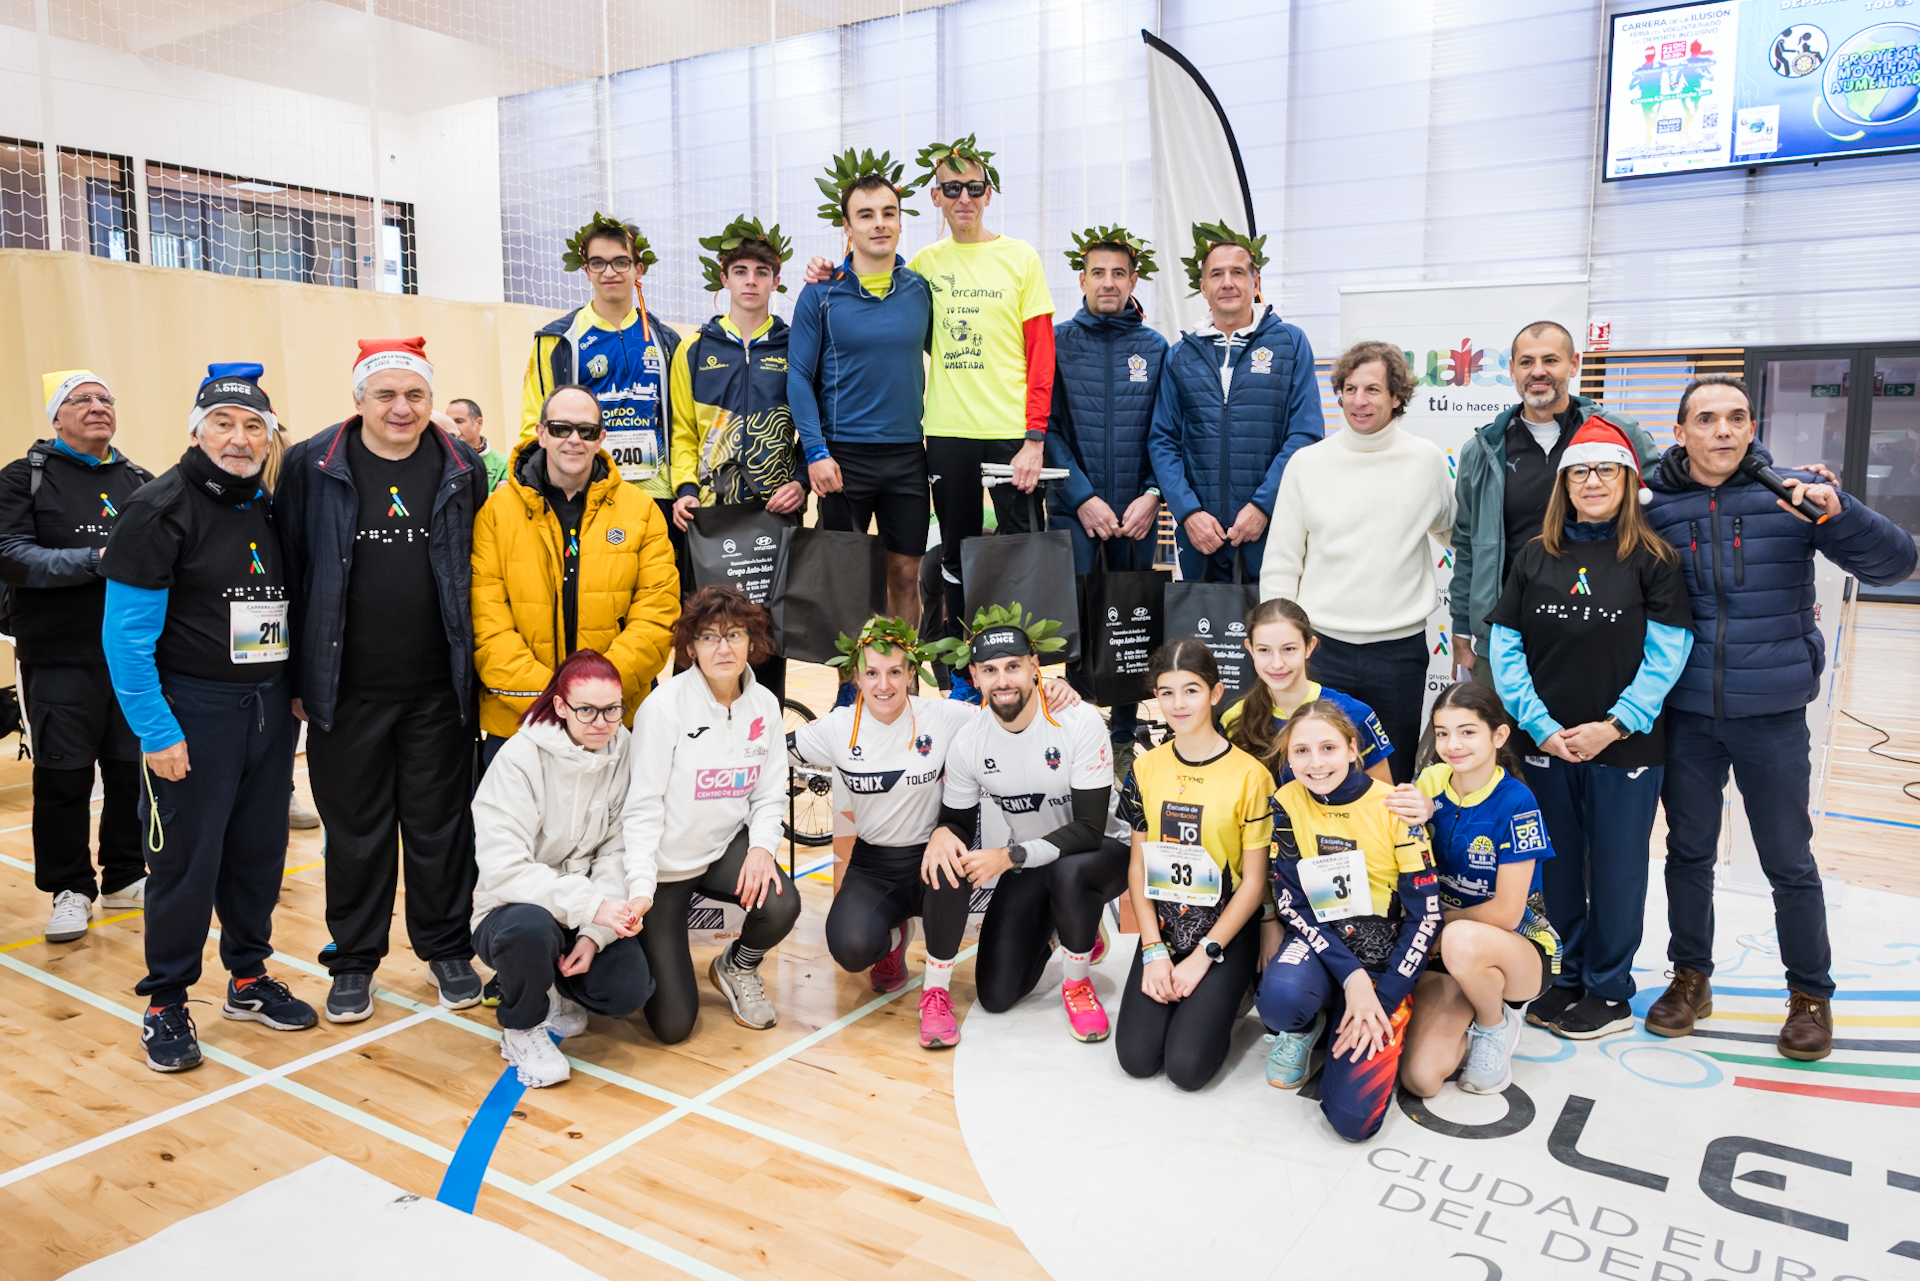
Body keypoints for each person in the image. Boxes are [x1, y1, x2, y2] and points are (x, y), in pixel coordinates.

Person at [1642, 374, 1918, 1062]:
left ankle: (1810, 995)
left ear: (1752, 425)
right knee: (1688, 854)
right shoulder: (1655, 503)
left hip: (1771, 713)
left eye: (1737, 417)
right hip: (1687, 713)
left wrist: (1839, 510)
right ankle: (1690, 977)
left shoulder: (1792, 493)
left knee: (1789, 862)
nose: (1725, 431)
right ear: (1681, 433)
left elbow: (1895, 563)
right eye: (1706, 419)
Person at [101, 364, 315, 1072]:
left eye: (254, 426)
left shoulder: (269, 504)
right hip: (192, 715)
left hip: (266, 713)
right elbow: (125, 638)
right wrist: (156, 730)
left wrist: (289, 693)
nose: (239, 437)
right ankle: (166, 1000)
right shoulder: (159, 508)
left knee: (257, 854)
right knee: (186, 866)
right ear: (196, 429)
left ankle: (248, 977)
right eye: (223, 422)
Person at [277, 338, 490, 1022]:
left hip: (439, 689)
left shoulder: (463, 463)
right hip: (346, 688)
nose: (401, 408)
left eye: (415, 395)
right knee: (357, 831)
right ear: (359, 399)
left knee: (440, 827)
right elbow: (290, 569)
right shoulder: (312, 462)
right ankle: (355, 958)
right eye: (386, 395)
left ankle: (447, 947)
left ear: (432, 399)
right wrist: (298, 676)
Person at [1486, 416, 1693, 1040]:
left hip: (1623, 747)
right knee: (1559, 867)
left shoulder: (1653, 558)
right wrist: (1540, 725)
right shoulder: (1534, 555)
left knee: (1618, 868)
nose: (1593, 481)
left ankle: (1608, 990)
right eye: (1580, 471)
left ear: (1630, 480)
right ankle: (1568, 974)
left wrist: (1615, 725)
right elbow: (1506, 645)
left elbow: (1668, 653)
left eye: (1606, 470)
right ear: (1564, 483)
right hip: (1546, 743)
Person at [794, 616, 1084, 1048]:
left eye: (895, 672)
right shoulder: (837, 728)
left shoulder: (945, 715)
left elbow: (1008, 704)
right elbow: (773, 754)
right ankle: (894, 940)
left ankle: (936, 993)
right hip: (874, 864)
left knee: (950, 858)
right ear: (855, 675)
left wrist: (1054, 690)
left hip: (935, 851)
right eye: (872, 673)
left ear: (913, 673)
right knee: (850, 949)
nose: (884, 685)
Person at [805, 137, 1055, 637]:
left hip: (1011, 436)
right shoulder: (922, 266)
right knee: (956, 560)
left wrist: (1034, 438)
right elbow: (873, 284)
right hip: (945, 435)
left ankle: (1024, 673)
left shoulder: (1021, 257)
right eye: (951, 188)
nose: (964, 197)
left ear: (989, 194)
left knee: (1020, 555)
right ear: (936, 198)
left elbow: (1041, 353)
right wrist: (828, 271)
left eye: (974, 187)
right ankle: (961, 674)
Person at [924, 605, 1126, 1041]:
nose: (1003, 680)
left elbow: (1090, 829)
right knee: (996, 995)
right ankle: (1066, 926)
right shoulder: (970, 742)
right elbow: (958, 820)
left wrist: (1009, 856)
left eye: (1014, 666)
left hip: (1100, 854)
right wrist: (944, 831)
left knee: (1073, 872)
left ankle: (1077, 982)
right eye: (990, 670)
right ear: (974, 677)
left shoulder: (1078, 721)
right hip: (1031, 860)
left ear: (1035, 667)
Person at [0, 369, 152, 942]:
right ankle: (69, 889)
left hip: (133, 658)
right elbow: (11, 555)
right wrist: (97, 557)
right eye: (81, 399)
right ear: (56, 417)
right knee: (62, 778)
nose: (98, 406)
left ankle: (123, 877)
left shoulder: (141, 479)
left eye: (106, 398)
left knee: (127, 771)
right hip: (59, 656)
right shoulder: (24, 479)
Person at [1261, 341, 1454, 782]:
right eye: (1349, 389)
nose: (1359, 401)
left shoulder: (1425, 461)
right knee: (1314, 770)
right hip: (1323, 650)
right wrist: (1280, 648)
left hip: (1399, 654)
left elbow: (1456, 534)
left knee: (1393, 772)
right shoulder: (1308, 464)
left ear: (1397, 397)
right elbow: (1282, 563)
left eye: (1372, 389)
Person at [622, 586, 798, 1042]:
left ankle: (735, 966)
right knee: (674, 1026)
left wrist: (761, 849)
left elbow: (769, 794)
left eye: (735, 635)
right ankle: (633, 955)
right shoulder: (663, 709)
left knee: (780, 902)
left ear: (751, 642)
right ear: (689, 648)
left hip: (720, 851)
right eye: (709, 637)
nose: (724, 648)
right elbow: (639, 808)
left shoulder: (764, 706)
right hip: (663, 870)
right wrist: (640, 887)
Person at [1257, 701, 1439, 1142]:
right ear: (1288, 757)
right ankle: (1310, 1022)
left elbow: (1426, 916)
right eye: (1301, 751)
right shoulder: (1285, 802)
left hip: (1385, 961)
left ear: (1353, 748)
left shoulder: (1394, 806)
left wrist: (1385, 995)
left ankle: (1358, 1013)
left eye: (1328, 748)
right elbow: (1293, 903)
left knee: (1352, 1121)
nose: (1316, 763)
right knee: (1279, 999)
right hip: (1326, 947)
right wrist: (1351, 976)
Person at [470, 649, 653, 1088]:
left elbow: (616, 849)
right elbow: (505, 869)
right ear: (560, 706)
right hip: (510, 913)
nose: (601, 722)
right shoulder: (518, 759)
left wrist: (594, 933)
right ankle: (522, 1027)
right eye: (586, 709)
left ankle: (555, 987)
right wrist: (591, 907)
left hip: (585, 909)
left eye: (612, 709)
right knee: (530, 929)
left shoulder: (623, 751)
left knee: (627, 988)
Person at [472, 385, 679, 765]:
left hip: (615, 721)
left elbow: (657, 613)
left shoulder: (641, 511)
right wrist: (552, 700)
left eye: (585, 431)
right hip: (521, 720)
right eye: (560, 428)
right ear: (540, 432)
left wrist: (594, 700)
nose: (573, 440)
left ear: (601, 438)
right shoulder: (496, 512)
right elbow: (486, 621)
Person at [1450, 321, 1660, 687]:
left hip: (1599, 631)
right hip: (1505, 637)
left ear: (1574, 364)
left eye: (1551, 360)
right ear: (1512, 369)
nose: (1538, 372)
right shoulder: (1483, 450)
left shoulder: (1618, 433)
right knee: (1503, 743)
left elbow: (1665, 502)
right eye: (1527, 362)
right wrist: (1462, 628)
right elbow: (1467, 545)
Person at [1114, 640, 1272, 1090]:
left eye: (1191, 691)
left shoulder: (1250, 775)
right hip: (1164, 927)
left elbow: (1255, 883)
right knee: (1138, 1059)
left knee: (1187, 1069)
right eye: (1166, 693)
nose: (1177, 704)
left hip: (1224, 932)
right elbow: (1138, 868)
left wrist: (1204, 957)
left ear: (1216, 693)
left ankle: (1235, 991)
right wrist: (1153, 950)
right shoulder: (1146, 768)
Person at [788, 153, 935, 627]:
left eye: (888, 213)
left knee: (905, 573)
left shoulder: (920, 290)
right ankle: (851, 686)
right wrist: (815, 452)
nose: (879, 224)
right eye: (866, 215)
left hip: (908, 455)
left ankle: (903, 679)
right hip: (842, 459)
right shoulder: (820, 293)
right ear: (847, 228)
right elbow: (797, 377)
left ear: (900, 221)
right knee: (848, 577)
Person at [1394, 683, 1559, 1099]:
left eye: (1468, 732)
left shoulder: (1518, 802)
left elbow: (1505, 912)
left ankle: (1495, 1024)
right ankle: (1464, 1010)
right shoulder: (1430, 781)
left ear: (1498, 736)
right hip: (1441, 946)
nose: (1453, 744)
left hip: (1515, 949)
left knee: (1462, 939)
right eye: (1443, 732)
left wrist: (1435, 924)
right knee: (1421, 1078)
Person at [1046, 225, 1168, 771]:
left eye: (1119, 273)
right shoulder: (1057, 342)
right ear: (1082, 279)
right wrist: (1083, 496)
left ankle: (1122, 732)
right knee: (1075, 620)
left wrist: (1150, 496)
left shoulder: (1155, 348)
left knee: (1129, 620)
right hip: (1077, 510)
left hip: (1138, 515)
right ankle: (1072, 729)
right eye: (1098, 272)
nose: (1109, 282)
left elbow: (1168, 431)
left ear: (1133, 280)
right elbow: (1044, 428)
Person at [669, 216, 802, 702]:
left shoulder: (796, 346)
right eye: (740, 270)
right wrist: (685, 490)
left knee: (765, 638)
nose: (751, 281)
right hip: (710, 519)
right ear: (723, 278)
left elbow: (812, 427)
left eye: (761, 272)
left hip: (774, 514)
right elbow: (681, 431)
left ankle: (763, 742)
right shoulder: (694, 349)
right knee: (703, 634)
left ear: (776, 278)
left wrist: (803, 481)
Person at [1147, 221, 1321, 583]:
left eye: (1237, 272)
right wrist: (1188, 512)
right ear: (1203, 287)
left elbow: (1304, 433)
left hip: (1273, 528)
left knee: (1273, 631)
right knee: (1202, 636)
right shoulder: (1179, 356)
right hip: (1200, 535)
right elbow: (1163, 440)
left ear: (1255, 283)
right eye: (1217, 274)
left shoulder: (1289, 343)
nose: (1227, 282)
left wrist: (1262, 506)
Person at [522, 214, 684, 580]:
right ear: (587, 270)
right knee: (592, 591)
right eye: (598, 262)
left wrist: (683, 487)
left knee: (655, 592)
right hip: (585, 491)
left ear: (638, 268)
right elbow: (534, 415)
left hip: (656, 493)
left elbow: (681, 422)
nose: (610, 272)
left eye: (621, 262)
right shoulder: (557, 339)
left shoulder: (668, 341)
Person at [1224, 598, 1393, 787]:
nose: (1277, 663)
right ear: (1250, 649)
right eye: (1264, 650)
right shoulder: (1234, 718)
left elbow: (1384, 798)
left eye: (1289, 649)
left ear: (1309, 647)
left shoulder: (1354, 713)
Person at [447, 399, 509, 492]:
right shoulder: (442, 461)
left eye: (459, 421)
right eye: (449, 422)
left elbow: (505, 500)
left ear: (479, 423)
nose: (453, 428)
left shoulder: (504, 463)